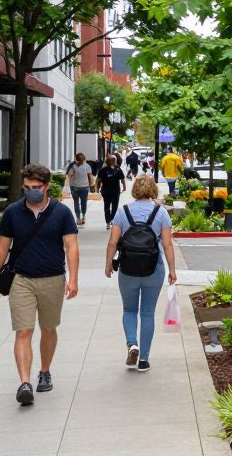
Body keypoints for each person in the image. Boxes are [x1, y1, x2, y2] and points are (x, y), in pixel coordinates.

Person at [0, 163, 79, 406]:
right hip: (21, 280)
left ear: (47, 186)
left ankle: (45, 370)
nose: (31, 191)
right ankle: (25, 383)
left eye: (36, 187)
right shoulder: (12, 212)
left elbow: (71, 245)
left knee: (48, 328)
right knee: (24, 331)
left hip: (52, 279)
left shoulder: (61, 213)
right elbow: (2, 247)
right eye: (27, 187)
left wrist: (73, 279)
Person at [104, 174, 178, 372]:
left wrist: (108, 264)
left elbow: (112, 242)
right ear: (153, 190)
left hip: (128, 269)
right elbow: (168, 245)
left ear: (135, 190)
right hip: (153, 269)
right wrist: (172, 270)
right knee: (147, 313)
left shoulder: (122, 212)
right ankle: (144, 359)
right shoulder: (161, 213)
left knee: (129, 310)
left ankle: (132, 344)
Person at [95, 154, 126, 229]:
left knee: (106, 206)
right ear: (115, 161)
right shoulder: (118, 169)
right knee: (115, 206)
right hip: (115, 191)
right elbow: (122, 180)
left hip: (106, 191)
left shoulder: (102, 170)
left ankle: (108, 221)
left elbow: (98, 181)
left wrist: (97, 189)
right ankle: (111, 219)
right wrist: (124, 187)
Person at [65, 152, 95, 227]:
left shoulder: (72, 166)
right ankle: (83, 216)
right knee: (84, 202)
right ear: (84, 159)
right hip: (85, 187)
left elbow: (69, 175)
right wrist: (92, 184)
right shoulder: (87, 166)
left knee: (76, 203)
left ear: (76, 159)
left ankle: (78, 219)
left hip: (74, 187)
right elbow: (90, 177)